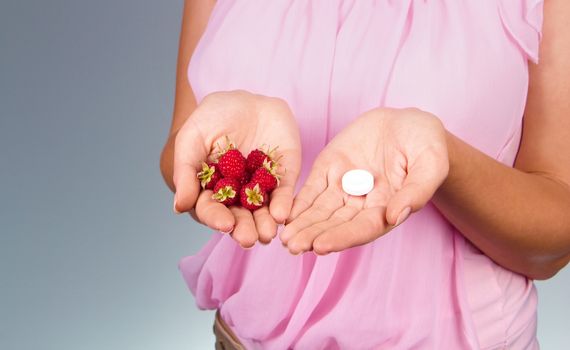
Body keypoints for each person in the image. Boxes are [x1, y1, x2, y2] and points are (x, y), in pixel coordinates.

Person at [160, 1, 570, 349]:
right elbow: (181, 145)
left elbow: (555, 234)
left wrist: (444, 159)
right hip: (239, 339)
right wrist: (214, 163)